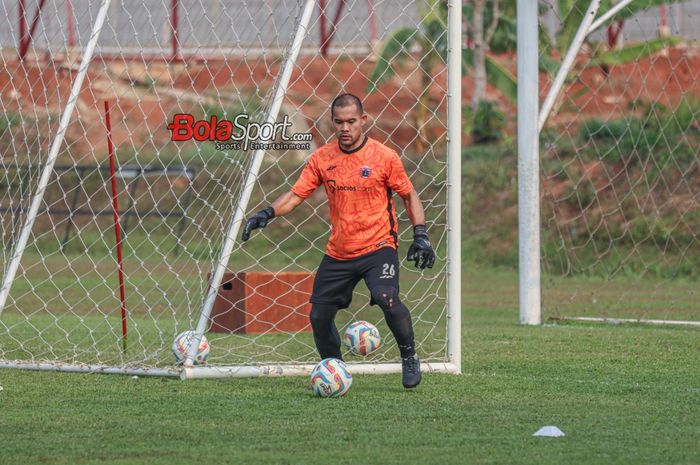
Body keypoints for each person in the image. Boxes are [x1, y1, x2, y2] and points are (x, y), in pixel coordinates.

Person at [241, 93, 435, 388]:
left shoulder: (384, 157)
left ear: (363, 121)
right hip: (339, 252)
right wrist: (267, 213)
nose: (345, 128)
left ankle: (409, 356)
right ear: (332, 122)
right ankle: (334, 368)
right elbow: (295, 196)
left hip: (378, 246)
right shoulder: (322, 158)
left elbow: (409, 196)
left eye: (351, 122)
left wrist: (420, 234)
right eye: (339, 122)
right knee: (319, 315)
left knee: (387, 297)